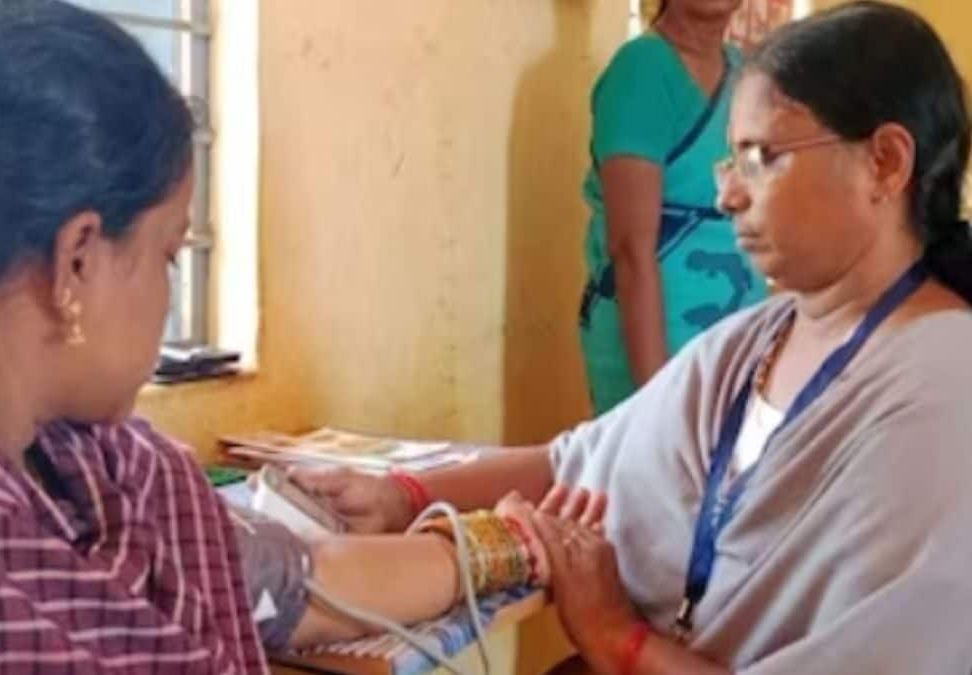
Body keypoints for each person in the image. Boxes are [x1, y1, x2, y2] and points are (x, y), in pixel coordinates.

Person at [0, 1, 594, 671]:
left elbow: (299, 584)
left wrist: (516, 543)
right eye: (169, 250)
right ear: (78, 259)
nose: (169, 291)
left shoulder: (107, 473)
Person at [297, 3, 972, 672]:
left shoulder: (942, 390)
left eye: (761, 158)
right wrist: (402, 495)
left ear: (885, 161)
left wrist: (619, 637)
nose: (727, 197)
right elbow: (574, 462)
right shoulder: (751, 345)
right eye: (727, 163)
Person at [580, 0, 766, 413]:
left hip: (737, 329)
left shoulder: (746, 76)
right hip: (654, 338)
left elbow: (759, 193)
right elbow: (630, 250)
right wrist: (656, 401)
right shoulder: (641, 71)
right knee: (655, 469)